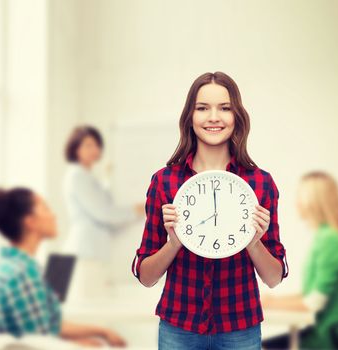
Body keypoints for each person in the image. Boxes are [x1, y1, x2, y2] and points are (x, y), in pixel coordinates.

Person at [131, 71, 289, 350]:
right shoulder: (164, 182)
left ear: (237, 117)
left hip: (240, 326)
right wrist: (174, 243)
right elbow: (145, 276)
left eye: (224, 108)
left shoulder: (260, 183)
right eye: (202, 108)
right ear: (190, 118)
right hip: (179, 326)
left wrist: (253, 242)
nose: (213, 117)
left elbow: (274, 278)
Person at [0, 187, 126, 347]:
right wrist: (85, 345)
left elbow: (49, 327)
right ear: (30, 222)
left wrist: (101, 331)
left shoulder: (6, 265)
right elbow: (39, 343)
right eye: (45, 209)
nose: (54, 215)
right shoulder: (23, 273)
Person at [262, 171, 338, 349]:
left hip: (331, 334)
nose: (297, 204)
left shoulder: (330, 240)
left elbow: (314, 302)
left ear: (315, 202)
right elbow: (311, 293)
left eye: (301, 197)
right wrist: (272, 300)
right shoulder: (325, 236)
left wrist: (271, 303)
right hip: (323, 330)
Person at [63, 125, 143, 300]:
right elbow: (103, 213)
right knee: (88, 311)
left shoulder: (87, 176)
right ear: (75, 148)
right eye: (87, 145)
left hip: (92, 254)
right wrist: (136, 210)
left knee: (94, 307)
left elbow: (104, 208)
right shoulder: (77, 176)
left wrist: (108, 179)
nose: (94, 149)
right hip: (84, 255)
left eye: (96, 145)